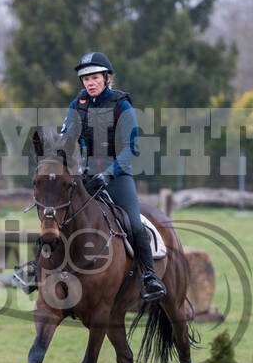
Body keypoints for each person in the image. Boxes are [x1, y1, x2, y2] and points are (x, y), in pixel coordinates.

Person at [13, 51, 166, 300]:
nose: (89, 83)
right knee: (54, 214)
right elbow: (67, 139)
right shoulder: (77, 105)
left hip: (117, 176)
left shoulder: (121, 105)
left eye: (94, 78)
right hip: (84, 176)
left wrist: (108, 174)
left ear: (107, 78)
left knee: (135, 225)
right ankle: (36, 269)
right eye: (85, 80)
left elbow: (132, 148)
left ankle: (149, 277)